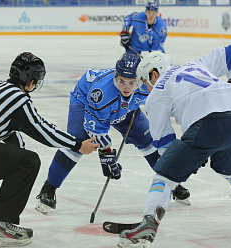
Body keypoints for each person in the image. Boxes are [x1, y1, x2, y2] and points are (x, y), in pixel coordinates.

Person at [117, 47, 231, 248]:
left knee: (163, 174)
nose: (146, 88)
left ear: (154, 74)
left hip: (208, 123)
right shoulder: (195, 64)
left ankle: (148, 223)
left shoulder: (157, 93)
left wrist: (182, 162)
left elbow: (164, 143)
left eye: (144, 82)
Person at [0, 52, 99, 248]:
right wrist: (77, 144)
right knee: (29, 161)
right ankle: (3, 223)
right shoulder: (18, 99)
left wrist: (16, 156)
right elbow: (42, 130)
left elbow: (9, 135)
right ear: (31, 81)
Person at [35, 52, 190, 215]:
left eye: (131, 82)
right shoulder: (100, 94)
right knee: (77, 144)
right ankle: (49, 187)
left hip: (125, 107)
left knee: (147, 140)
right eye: (121, 81)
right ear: (115, 76)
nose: (126, 87)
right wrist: (106, 154)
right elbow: (96, 129)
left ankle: (171, 183)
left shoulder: (145, 84)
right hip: (85, 102)